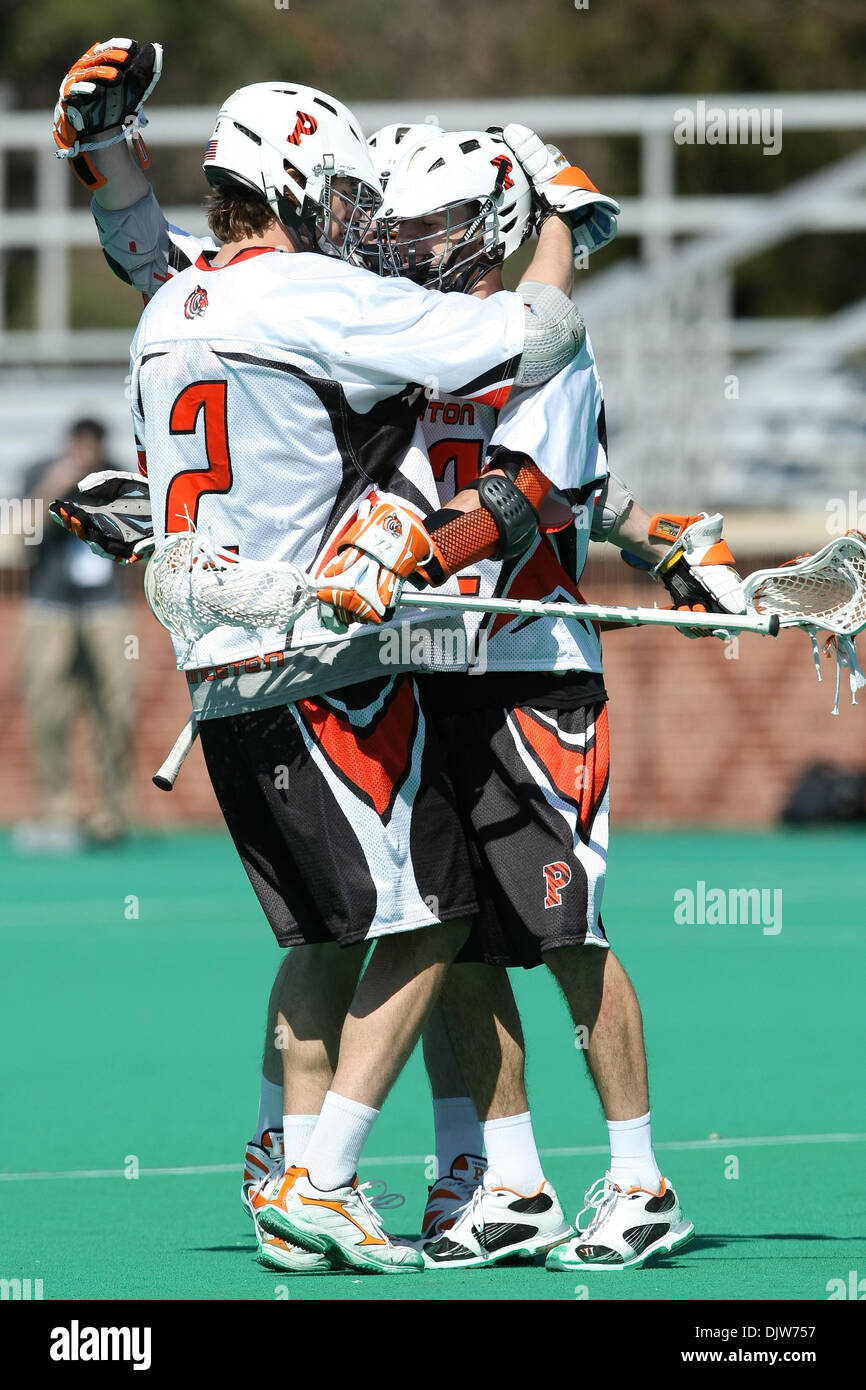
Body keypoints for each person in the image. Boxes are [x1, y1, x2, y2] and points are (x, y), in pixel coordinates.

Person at [51, 40, 585, 1274]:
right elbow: (534, 337)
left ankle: (282, 1174)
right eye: (337, 195)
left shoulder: (170, 308)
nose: (354, 222)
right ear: (293, 187)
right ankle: (320, 1175)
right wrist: (558, 216)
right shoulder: (312, 298)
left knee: (320, 937)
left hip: (216, 674)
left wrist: (101, 157)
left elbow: (149, 252)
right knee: (433, 914)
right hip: (318, 667)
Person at [17, 418, 136, 850]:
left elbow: (136, 543)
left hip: (108, 610)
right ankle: (58, 812)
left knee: (116, 709)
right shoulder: (37, 472)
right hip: (50, 609)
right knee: (47, 707)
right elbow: (18, 539)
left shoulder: (117, 479)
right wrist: (53, 487)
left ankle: (111, 815)